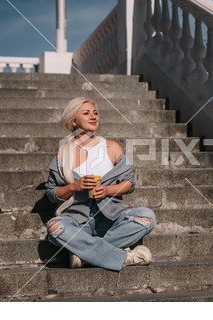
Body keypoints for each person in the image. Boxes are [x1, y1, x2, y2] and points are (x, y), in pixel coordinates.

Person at [44, 97, 156, 272]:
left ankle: (83, 253)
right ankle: (128, 257)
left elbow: (129, 183)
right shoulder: (63, 154)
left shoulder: (112, 147)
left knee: (147, 216)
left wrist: (107, 190)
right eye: (86, 113)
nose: (93, 116)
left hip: (112, 221)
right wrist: (75, 186)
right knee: (55, 227)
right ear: (73, 121)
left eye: (95, 113)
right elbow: (52, 194)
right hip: (78, 222)